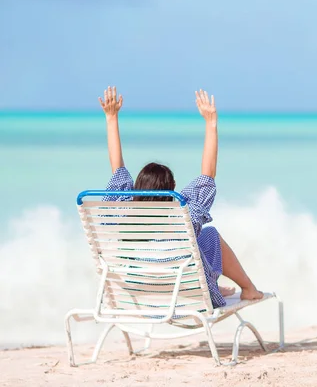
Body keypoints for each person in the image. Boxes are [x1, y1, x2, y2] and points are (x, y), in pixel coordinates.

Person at [98, 86, 264, 308]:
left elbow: (116, 168)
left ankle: (215, 284)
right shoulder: (184, 213)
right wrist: (211, 122)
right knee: (210, 235)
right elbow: (208, 174)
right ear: (171, 189)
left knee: (196, 244)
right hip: (190, 298)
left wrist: (111, 118)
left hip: (140, 300)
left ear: (136, 188)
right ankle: (248, 289)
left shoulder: (121, 212)